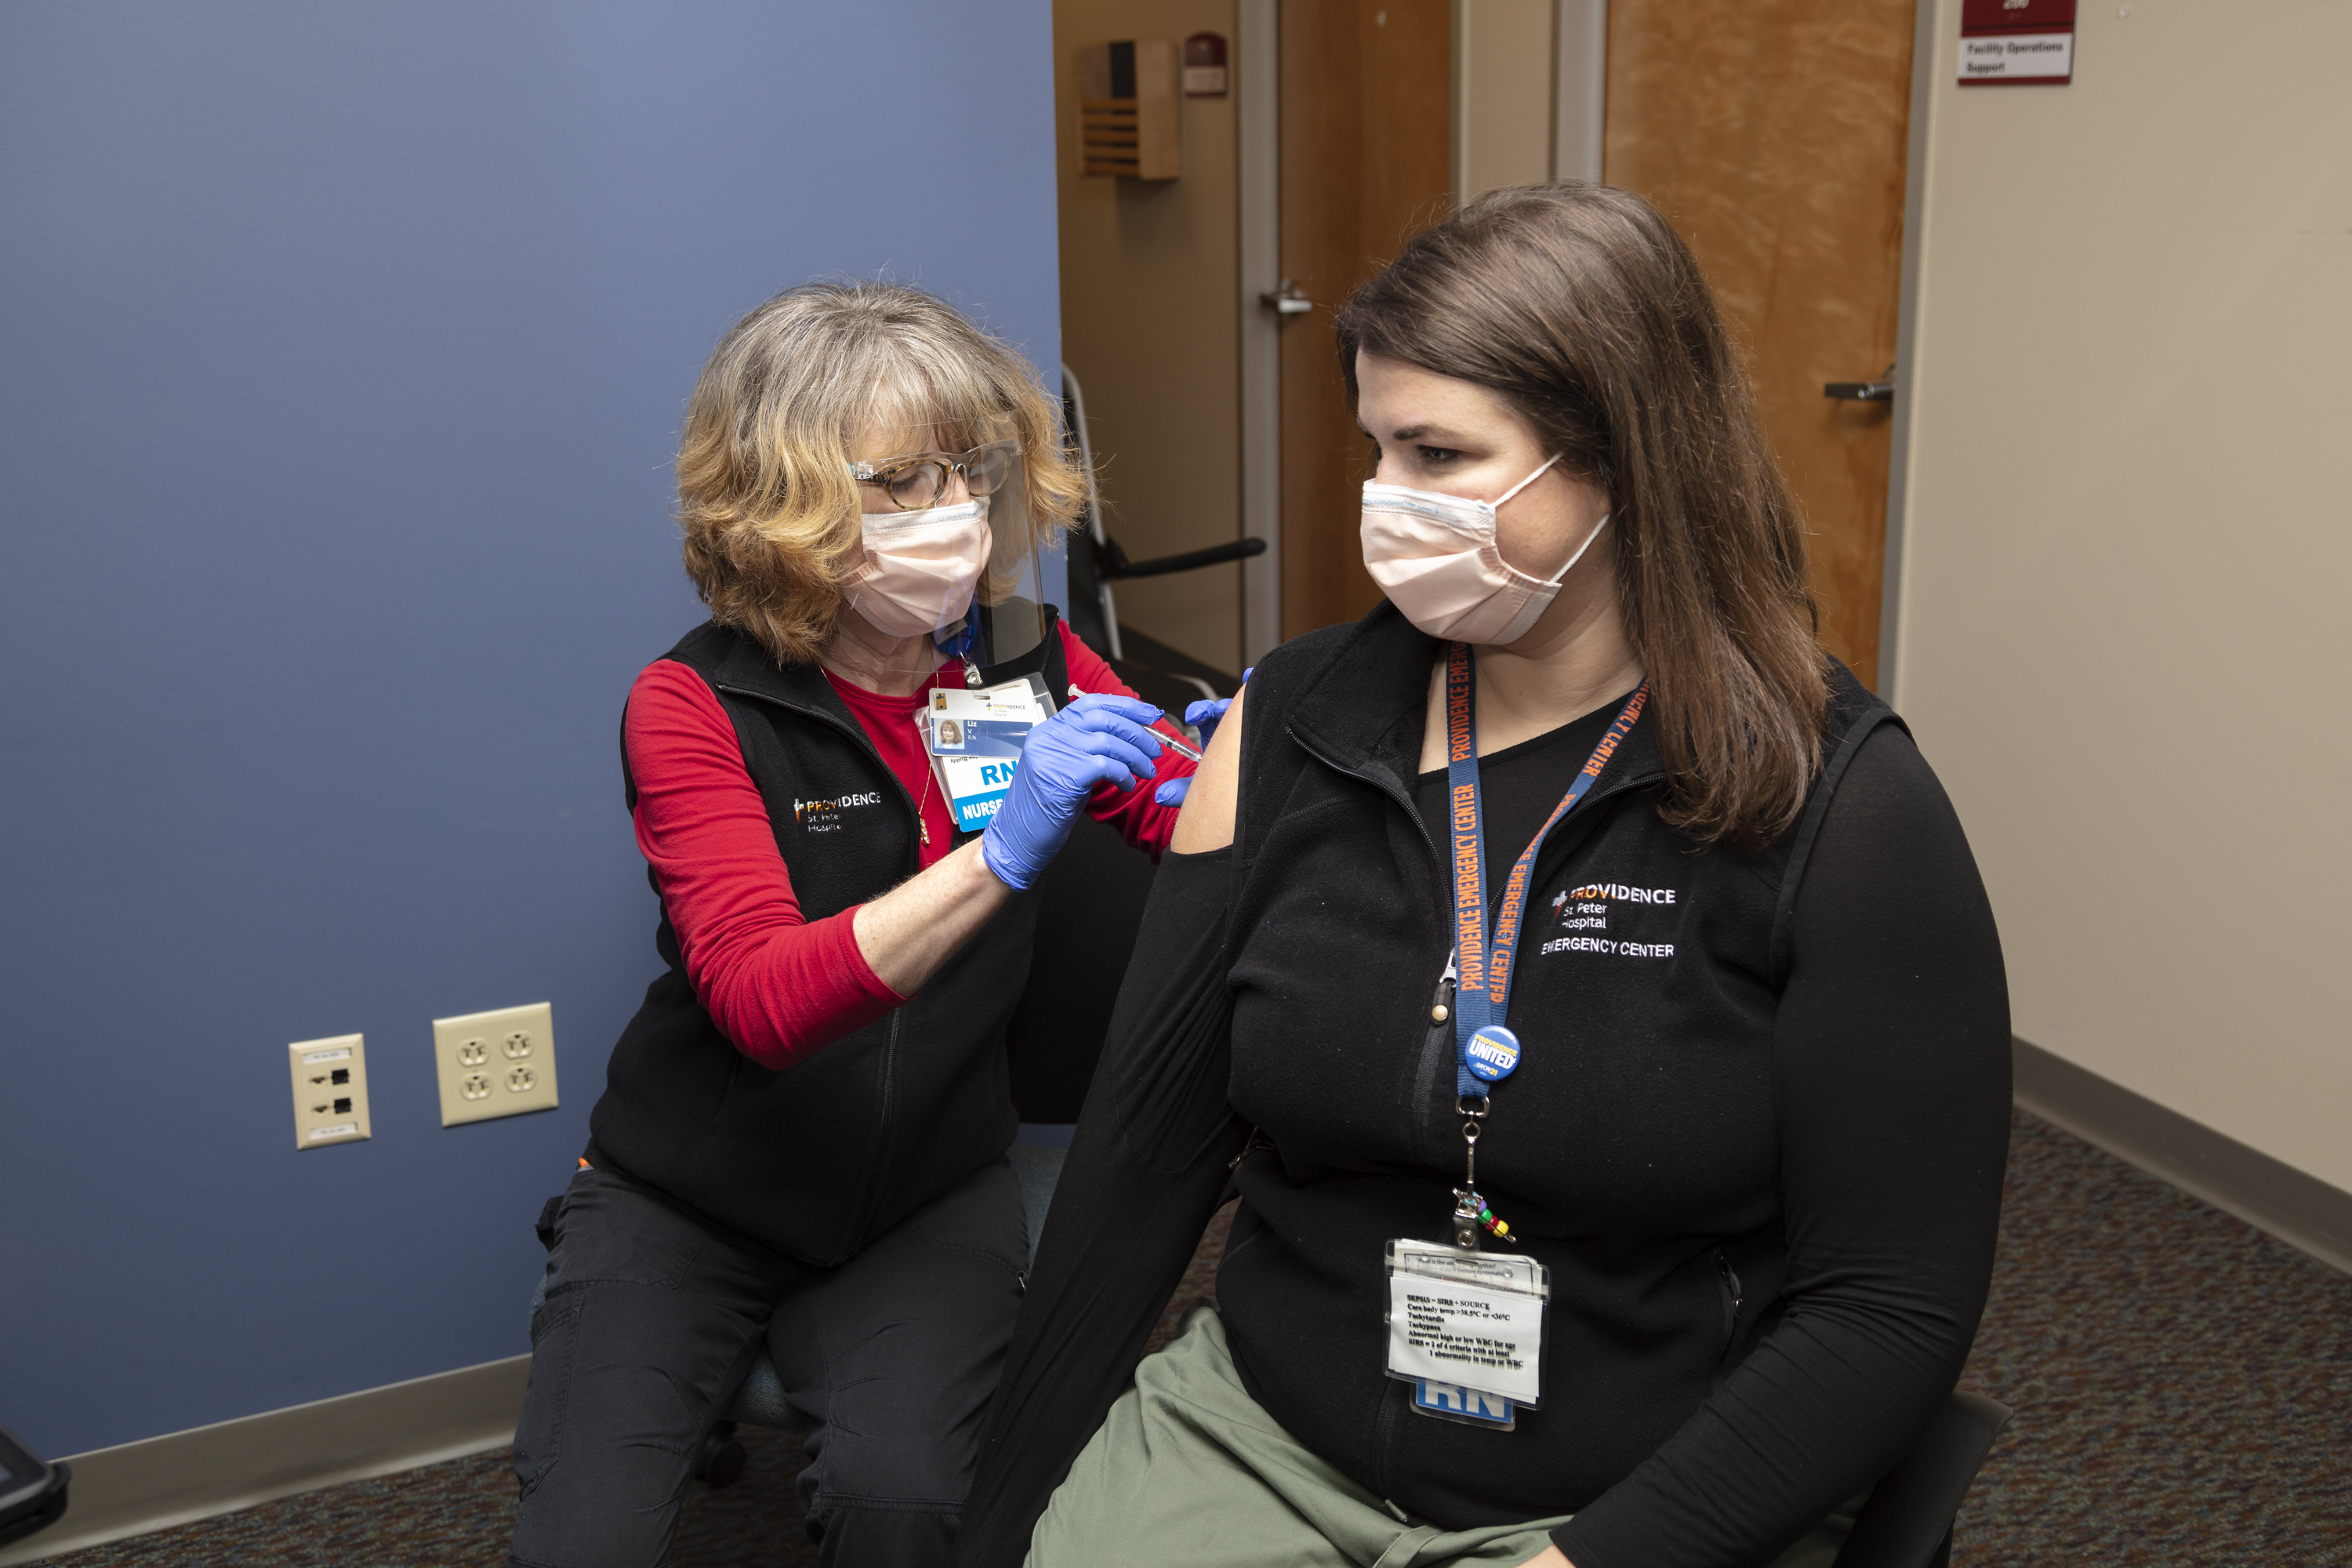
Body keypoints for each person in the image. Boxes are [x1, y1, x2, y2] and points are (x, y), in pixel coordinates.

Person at [955, 182, 2012, 1568]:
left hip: (1635, 1496)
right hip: (1268, 1438)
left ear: (1622, 458)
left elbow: (1890, 1308)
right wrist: (997, 1525)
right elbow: (1144, 1162)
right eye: (1378, 448)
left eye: (1441, 454)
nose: (1387, 501)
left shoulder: (1840, 805)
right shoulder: (1288, 729)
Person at [507, 281, 1200, 1568]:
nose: (950, 517)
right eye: (895, 484)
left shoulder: (1028, 659)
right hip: (690, 1196)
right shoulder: (692, 706)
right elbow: (765, 1003)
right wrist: (1003, 850)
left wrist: (1254, 763)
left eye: (969, 474)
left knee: (915, 1510)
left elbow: (1184, 818)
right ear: (783, 505)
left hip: (927, 1188)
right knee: (580, 1544)